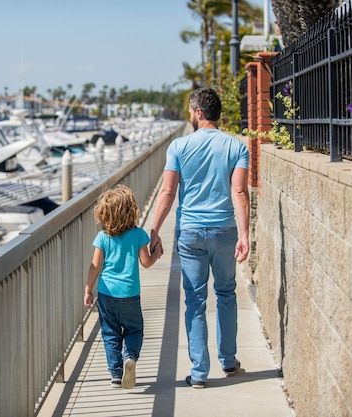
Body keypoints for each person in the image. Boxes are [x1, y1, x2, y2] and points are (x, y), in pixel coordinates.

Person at [150, 87, 250, 389]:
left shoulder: (179, 147)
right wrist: (245, 234)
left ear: (198, 113)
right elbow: (240, 192)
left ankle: (199, 372)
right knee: (226, 293)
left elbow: (167, 192)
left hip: (191, 232)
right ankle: (229, 360)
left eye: (192, 111)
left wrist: (153, 231)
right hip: (224, 230)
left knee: (194, 300)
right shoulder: (236, 147)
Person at [84, 184, 163, 389]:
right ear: (131, 211)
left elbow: (95, 266)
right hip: (129, 294)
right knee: (134, 330)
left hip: (105, 294)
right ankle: (130, 356)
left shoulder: (102, 237)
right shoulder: (138, 235)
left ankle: (116, 375)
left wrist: (87, 289)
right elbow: (146, 262)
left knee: (110, 333)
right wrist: (157, 253)